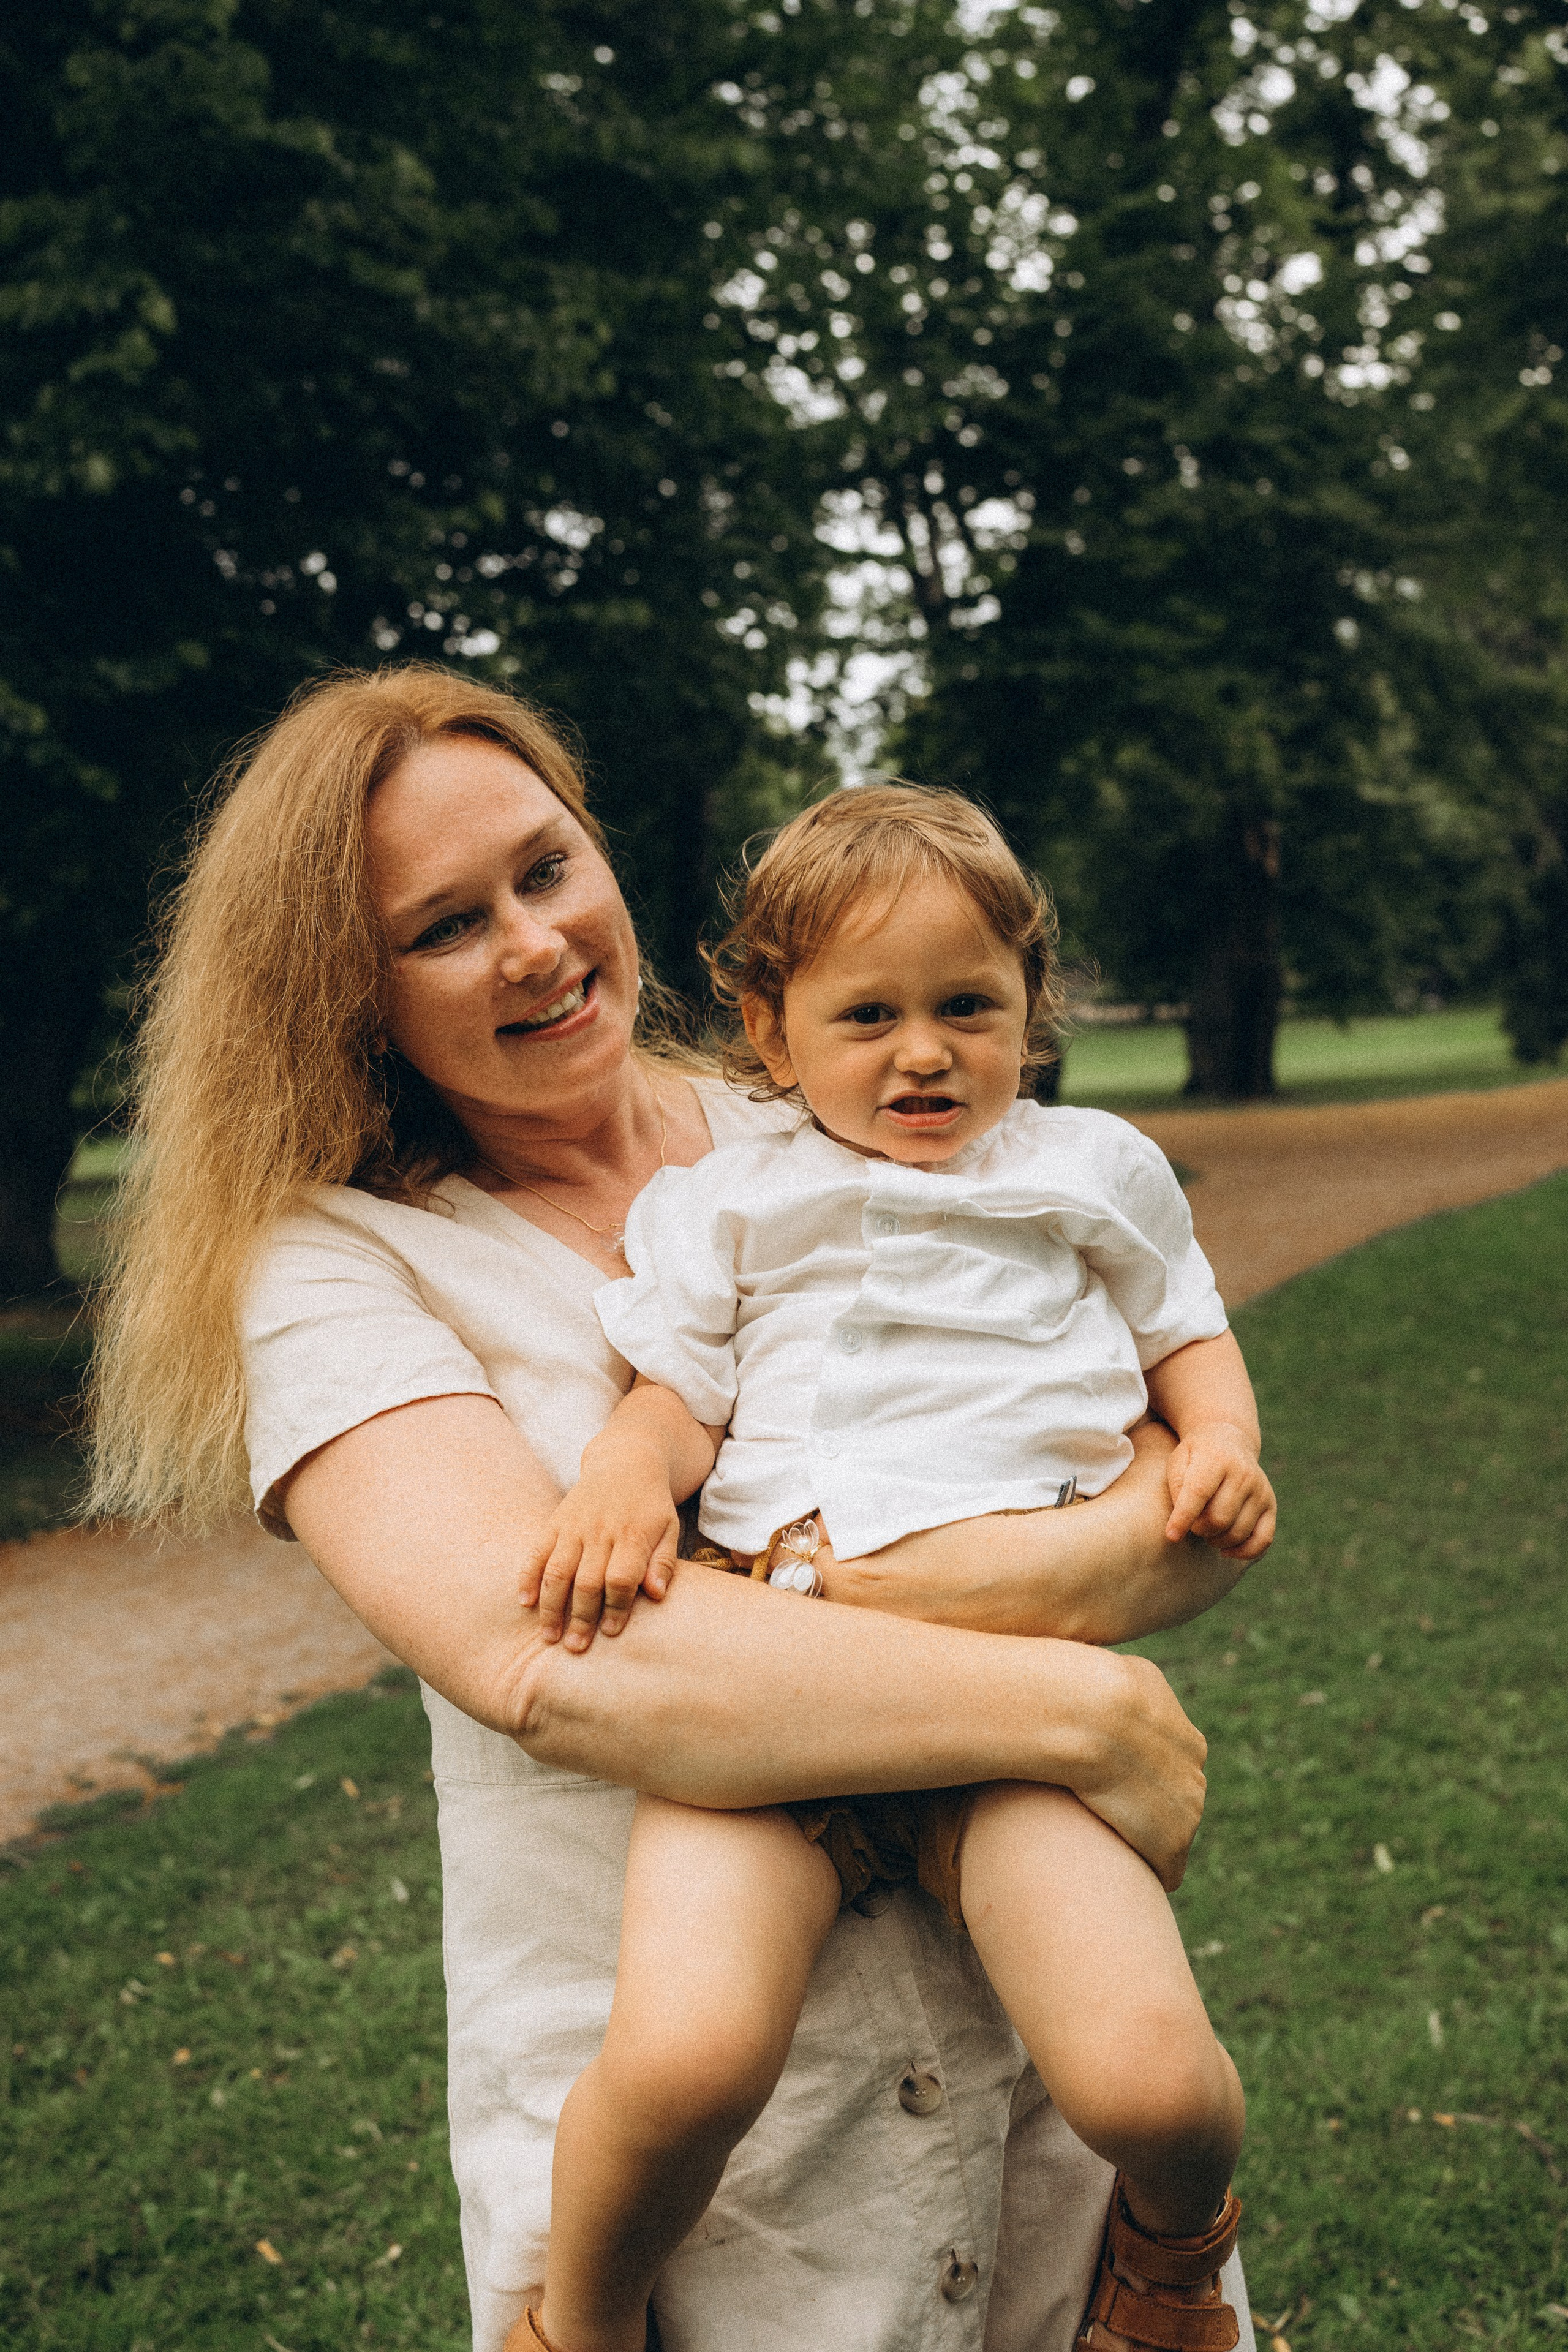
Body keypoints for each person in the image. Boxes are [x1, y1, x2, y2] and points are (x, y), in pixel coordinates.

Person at [86, 665, 1259, 2352]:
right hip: (737, 2178)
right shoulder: (337, 1269)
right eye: (441, 927)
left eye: (547, 868)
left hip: (1023, 2051)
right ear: (343, 992)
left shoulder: (835, 1120)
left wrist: (842, 1591)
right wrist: (1079, 1697)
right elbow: (563, 1659)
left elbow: (1160, 1488)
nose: (535, 944)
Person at [522, 786, 1275, 2352]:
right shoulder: (728, 1202)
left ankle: (1169, 2259)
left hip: (1000, 1715)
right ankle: (572, 2327)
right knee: (683, 2064)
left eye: (966, 1008)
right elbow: (676, 1401)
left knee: (1151, 2076)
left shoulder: (1089, 1170)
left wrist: (1213, 1442)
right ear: (769, 1030)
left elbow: (1184, 1333)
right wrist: (617, 1477)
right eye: (867, 1013)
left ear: (1028, 1008)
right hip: (775, 1701)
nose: (922, 1051)